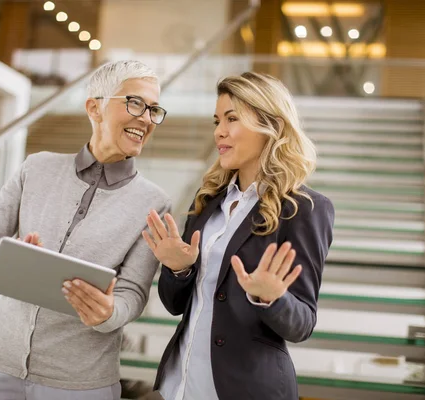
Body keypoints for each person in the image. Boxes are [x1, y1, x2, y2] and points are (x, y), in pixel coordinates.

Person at [0, 60, 172, 400]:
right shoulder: (37, 167)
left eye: (154, 109)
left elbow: (133, 292)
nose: (146, 118)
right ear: (95, 107)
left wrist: (108, 313)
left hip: (81, 384)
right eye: (135, 103)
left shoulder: (154, 203)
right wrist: (9, 271)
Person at [142, 72, 334, 400]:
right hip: (182, 384)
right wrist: (179, 269)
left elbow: (302, 323)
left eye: (232, 118)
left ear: (270, 125)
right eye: (217, 120)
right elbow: (174, 305)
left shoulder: (304, 209)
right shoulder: (206, 201)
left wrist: (269, 297)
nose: (219, 131)